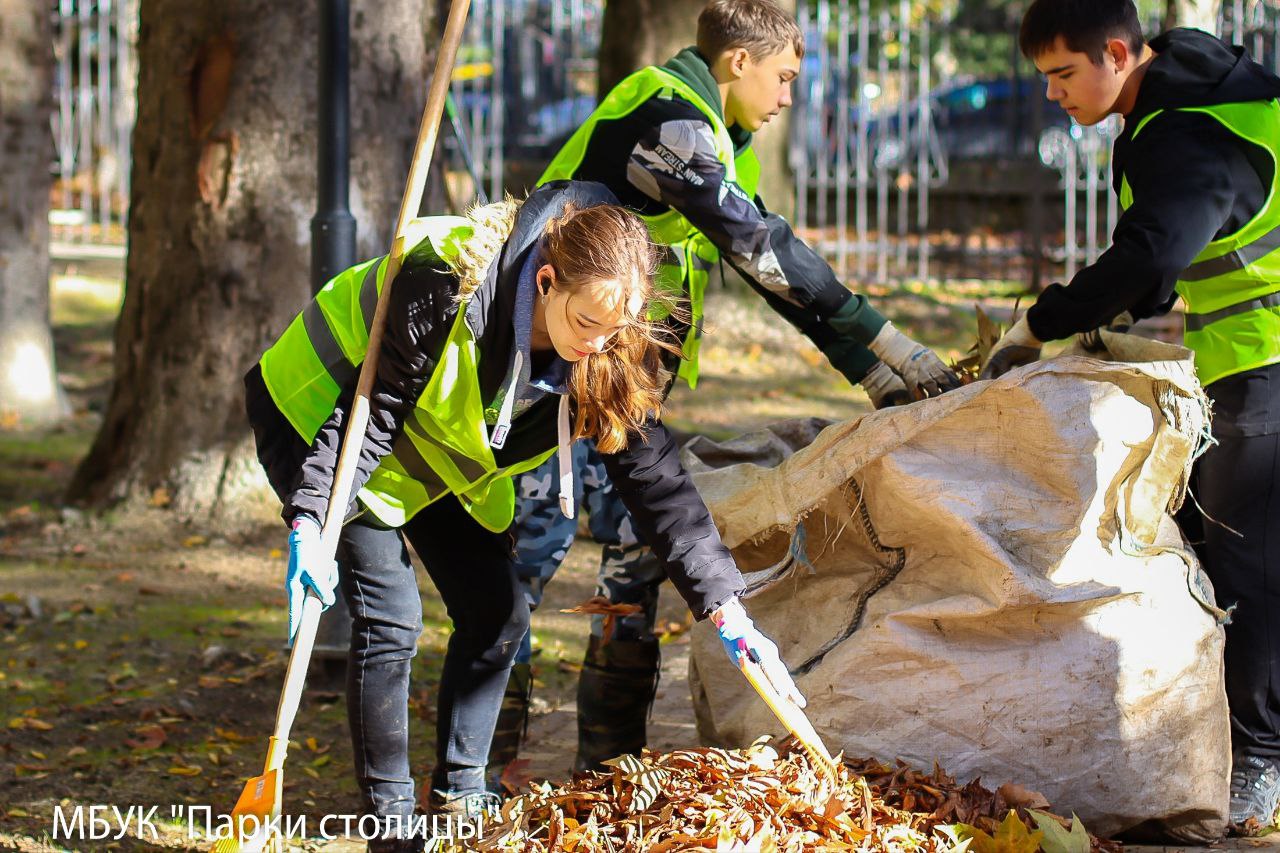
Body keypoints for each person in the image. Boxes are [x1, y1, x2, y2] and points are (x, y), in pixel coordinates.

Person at [243, 181, 805, 852]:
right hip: (323, 416)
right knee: (392, 616)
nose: (598, 346)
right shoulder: (442, 280)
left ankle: (460, 799)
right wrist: (311, 522)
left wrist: (728, 609)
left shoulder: (607, 344)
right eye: (585, 325)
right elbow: (373, 418)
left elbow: (659, 487)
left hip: (438, 449)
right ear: (544, 280)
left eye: (612, 330)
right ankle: (390, 827)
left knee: (498, 611)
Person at [488, 0, 963, 783]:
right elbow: (758, 248)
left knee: (631, 577)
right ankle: (478, 778)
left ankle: (606, 781)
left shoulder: (714, 138)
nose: (786, 97)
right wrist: (888, 342)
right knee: (519, 574)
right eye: (783, 77)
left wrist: (874, 371)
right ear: (738, 63)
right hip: (548, 384)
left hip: (620, 391)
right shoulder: (669, 121)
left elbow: (770, 268)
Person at [985, 0, 1280, 829]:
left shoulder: (1186, 131)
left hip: (1269, 357)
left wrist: (1046, 322)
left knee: (1249, 565)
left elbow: (1154, 251)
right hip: (1246, 355)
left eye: (1063, 74)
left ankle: (1258, 763)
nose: (1053, 96)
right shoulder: (1192, 87)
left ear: (1117, 51)